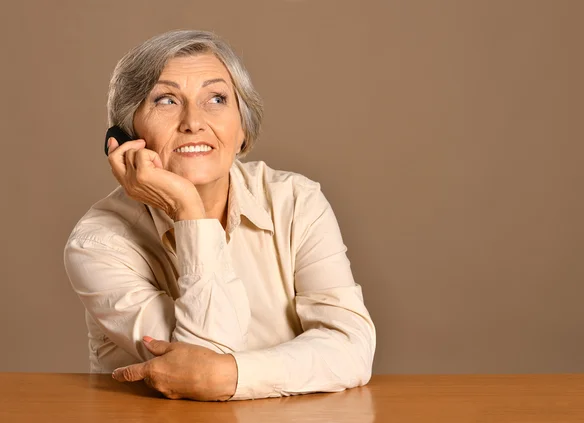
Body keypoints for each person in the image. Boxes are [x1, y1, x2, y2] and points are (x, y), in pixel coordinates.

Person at [63, 29, 376, 401]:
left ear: (242, 128)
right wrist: (189, 211)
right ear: (127, 135)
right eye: (166, 100)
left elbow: (351, 347)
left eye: (216, 98)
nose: (193, 121)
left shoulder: (296, 201)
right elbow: (198, 369)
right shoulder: (98, 243)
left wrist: (230, 375)